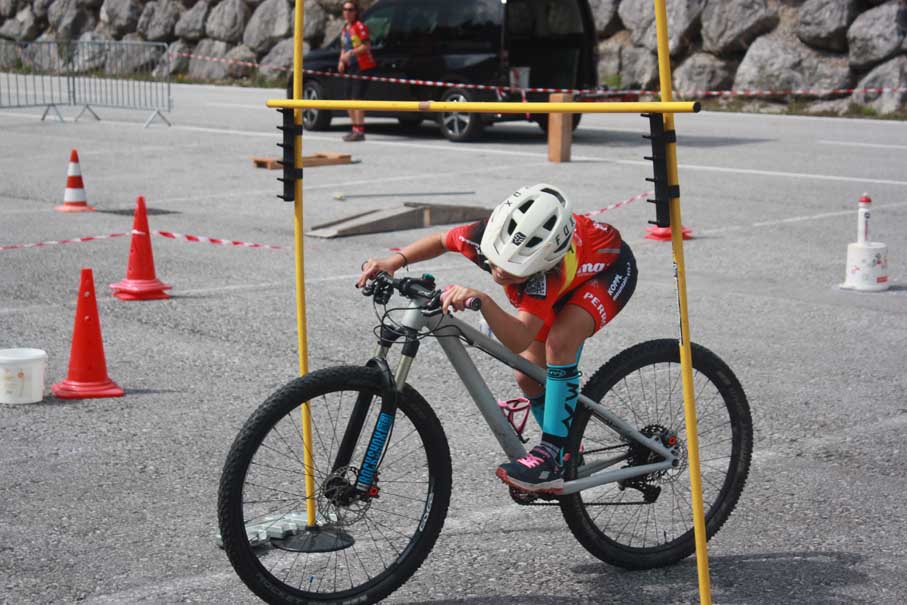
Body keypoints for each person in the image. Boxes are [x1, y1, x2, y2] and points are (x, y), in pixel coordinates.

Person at [357, 184, 638, 494]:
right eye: (495, 263)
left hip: (607, 270)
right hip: (564, 270)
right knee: (527, 376)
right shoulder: (484, 237)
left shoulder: (547, 274)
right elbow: (440, 240)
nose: (501, 273)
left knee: (560, 342)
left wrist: (486, 301)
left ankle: (554, 453)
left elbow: (519, 339)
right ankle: (570, 446)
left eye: (513, 271)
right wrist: (394, 261)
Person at [338, 1, 376, 142]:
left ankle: (359, 131)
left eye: (350, 9)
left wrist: (352, 53)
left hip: (362, 66)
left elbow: (366, 46)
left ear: (356, 12)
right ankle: (354, 128)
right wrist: (341, 61)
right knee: (348, 99)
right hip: (350, 66)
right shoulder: (345, 28)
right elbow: (344, 47)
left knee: (356, 98)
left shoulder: (360, 26)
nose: (347, 12)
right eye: (345, 9)